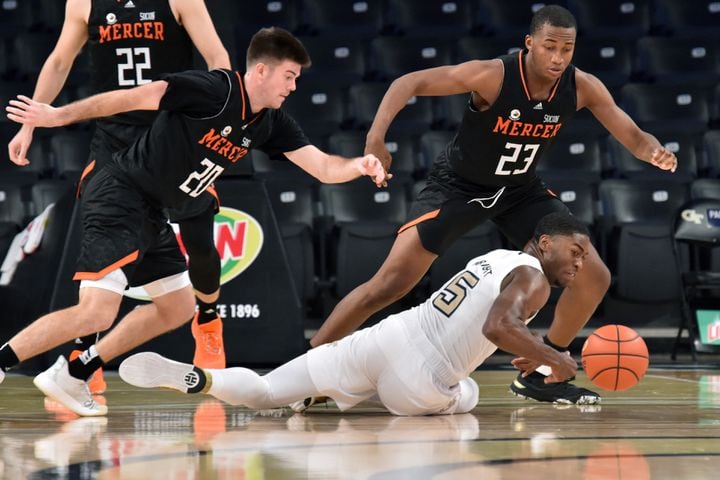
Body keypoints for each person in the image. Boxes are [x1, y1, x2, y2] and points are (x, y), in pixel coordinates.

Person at [1, 27, 388, 416]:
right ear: (261, 72)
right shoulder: (213, 90)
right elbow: (131, 97)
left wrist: (359, 165)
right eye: (289, 76)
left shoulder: (270, 123)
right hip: (121, 193)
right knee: (97, 312)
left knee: (179, 307)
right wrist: (57, 116)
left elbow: (321, 166)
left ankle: (75, 372)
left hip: (155, 210)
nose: (293, 86)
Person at [305, 4, 678, 406]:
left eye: (566, 49)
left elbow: (634, 136)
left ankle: (539, 373)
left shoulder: (582, 86)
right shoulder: (493, 75)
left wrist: (654, 151)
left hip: (521, 190)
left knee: (594, 275)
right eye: (549, 46)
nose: (557, 57)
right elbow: (407, 82)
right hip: (459, 186)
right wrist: (375, 140)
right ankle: (309, 372)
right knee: (389, 285)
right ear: (529, 43)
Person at [118, 212, 588, 415]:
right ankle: (342, 394)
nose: (579, 263)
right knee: (468, 397)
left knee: (264, 393)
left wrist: (528, 345)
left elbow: (498, 324)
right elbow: (497, 326)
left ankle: (204, 380)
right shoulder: (534, 278)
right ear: (545, 242)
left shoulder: (494, 258)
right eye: (575, 251)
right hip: (421, 378)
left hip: (388, 336)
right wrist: (556, 359)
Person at [6, 0, 232, 386]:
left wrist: (218, 110)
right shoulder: (82, 3)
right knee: (107, 251)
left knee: (199, 241)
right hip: (116, 142)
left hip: (172, 136)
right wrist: (29, 125)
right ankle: (83, 350)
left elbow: (218, 59)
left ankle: (208, 321)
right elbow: (60, 61)